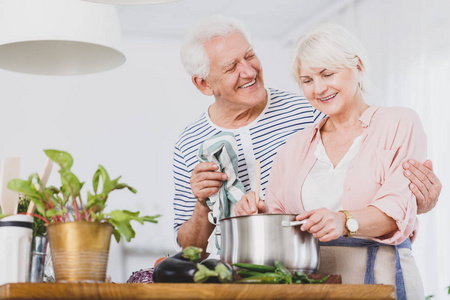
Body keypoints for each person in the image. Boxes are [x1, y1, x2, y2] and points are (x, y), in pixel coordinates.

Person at [173, 15, 441, 259]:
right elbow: (188, 246)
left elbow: (382, 181)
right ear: (204, 84)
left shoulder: (311, 109)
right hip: (262, 271)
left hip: (340, 264)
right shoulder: (189, 143)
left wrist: (419, 201)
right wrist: (205, 202)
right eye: (231, 67)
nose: (248, 71)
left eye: (250, 56)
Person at [235, 24, 427, 299]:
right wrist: (260, 216)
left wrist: (344, 221)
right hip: (314, 288)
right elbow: (282, 225)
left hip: (383, 281)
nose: (319, 88)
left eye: (327, 73)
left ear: (358, 66)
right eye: (307, 80)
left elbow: (397, 208)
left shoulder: (399, 123)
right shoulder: (293, 147)